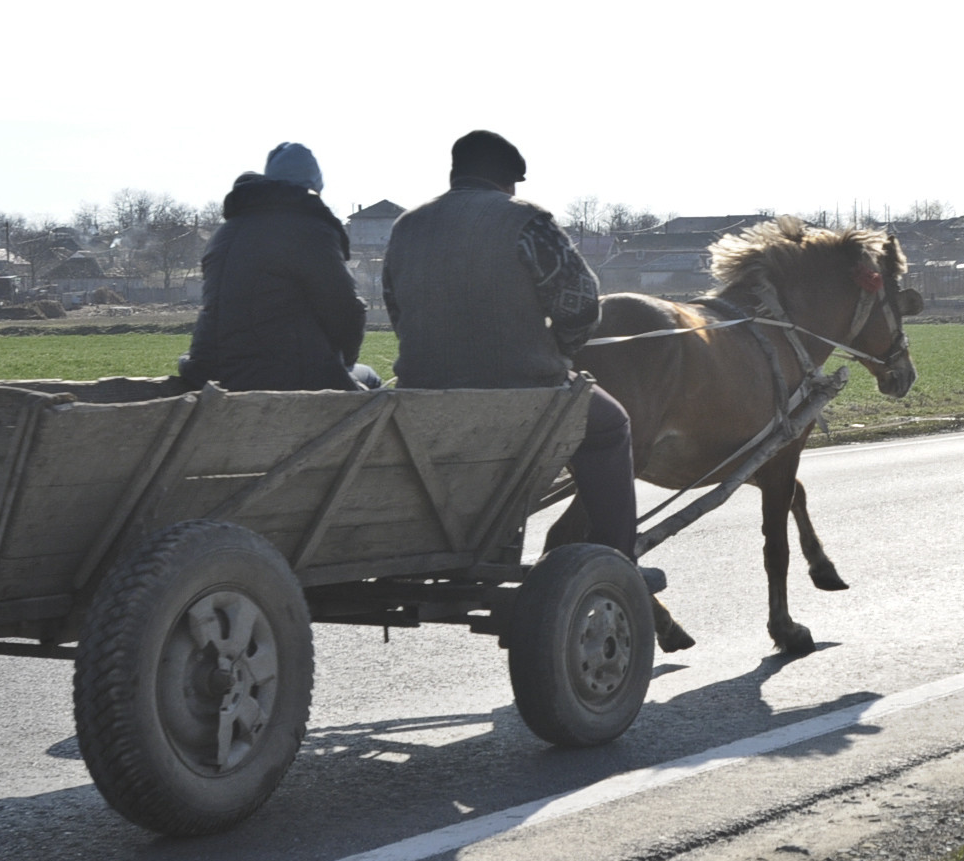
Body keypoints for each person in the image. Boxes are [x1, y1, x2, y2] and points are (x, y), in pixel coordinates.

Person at [383, 130, 637, 555]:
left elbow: (396, 309)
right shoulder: (525, 219)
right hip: (521, 385)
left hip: (422, 389)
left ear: (454, 174)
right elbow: (581, 304)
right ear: (508, 181)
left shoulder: (407, 225)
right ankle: (617, 556)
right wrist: (560, 351)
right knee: (612, 427)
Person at [179, 142, 376, 392]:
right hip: (278, 377)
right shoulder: (309, 230)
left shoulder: (225, 232)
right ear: (315, 186)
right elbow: (347, 309)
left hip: (208, 370)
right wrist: (344, 363)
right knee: (369, 378)